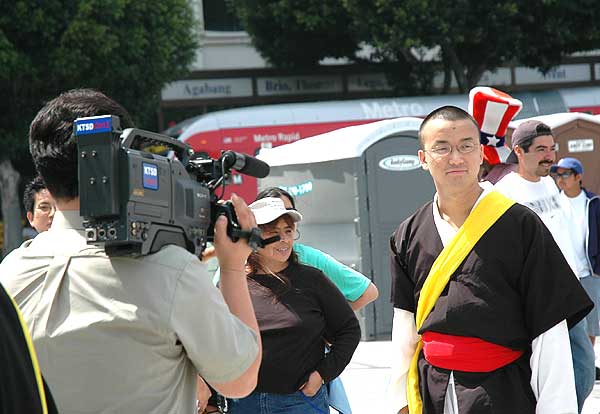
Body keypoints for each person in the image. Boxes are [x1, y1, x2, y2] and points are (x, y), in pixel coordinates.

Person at [0, 88, 262, 414]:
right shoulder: (171, 272)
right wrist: (234, 267)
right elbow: (239, 379)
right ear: (121, 159)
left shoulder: (9, 273)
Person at [387, 106, 592, 414]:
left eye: (466, 146)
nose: (456, 158)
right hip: (434, 391)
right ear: (423, 159)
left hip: (504, 389)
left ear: (481, 153)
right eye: (441, 148)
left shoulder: (521, 225)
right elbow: (404, 326)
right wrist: (400, 401)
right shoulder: (409, 233)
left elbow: (549, 332)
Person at [494, 121, 596, 412]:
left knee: (583, 370)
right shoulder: (506, 192)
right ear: (519, 151)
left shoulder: (550, 184)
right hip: (538, 297)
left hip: (569, 288)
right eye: (540, 150)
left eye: (552, 148)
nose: (550, 157)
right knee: (553, 372)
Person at [227, 196, 361, 413]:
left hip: (300, 402)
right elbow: (210, 341)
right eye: (273, 233)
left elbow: (349, 330)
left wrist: (322, 375)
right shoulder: (233, 283)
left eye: (288, 231)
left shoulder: (313, 280)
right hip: (243, 404)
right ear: (253, 237)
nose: (284, 240)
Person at [551, 158, 600, 355]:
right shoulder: (553, 202)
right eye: (557, 174)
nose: (560, 179)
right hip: (563, 273)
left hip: (589, 272)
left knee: (590, 323)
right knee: (566, 323)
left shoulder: (593, 203)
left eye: (565, 174)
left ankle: (588, 362)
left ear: (578, 177)